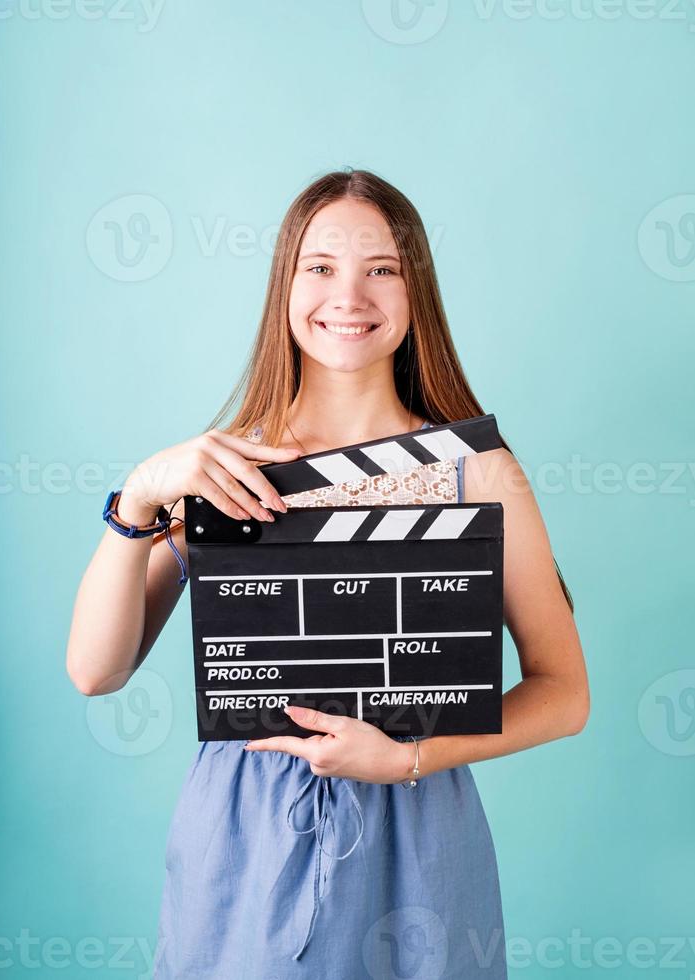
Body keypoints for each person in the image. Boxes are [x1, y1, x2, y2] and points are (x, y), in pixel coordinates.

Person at [66, 168, 590, 979]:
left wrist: (409, 758)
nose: (349, 294)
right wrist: (139, 495)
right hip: (240, 836)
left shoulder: (477, 470)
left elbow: (564, 692)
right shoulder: (224, 468)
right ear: (285, 285)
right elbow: (96, 671)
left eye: (380, 268)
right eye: (320, 267)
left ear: (415, 291)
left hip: (414, 832)